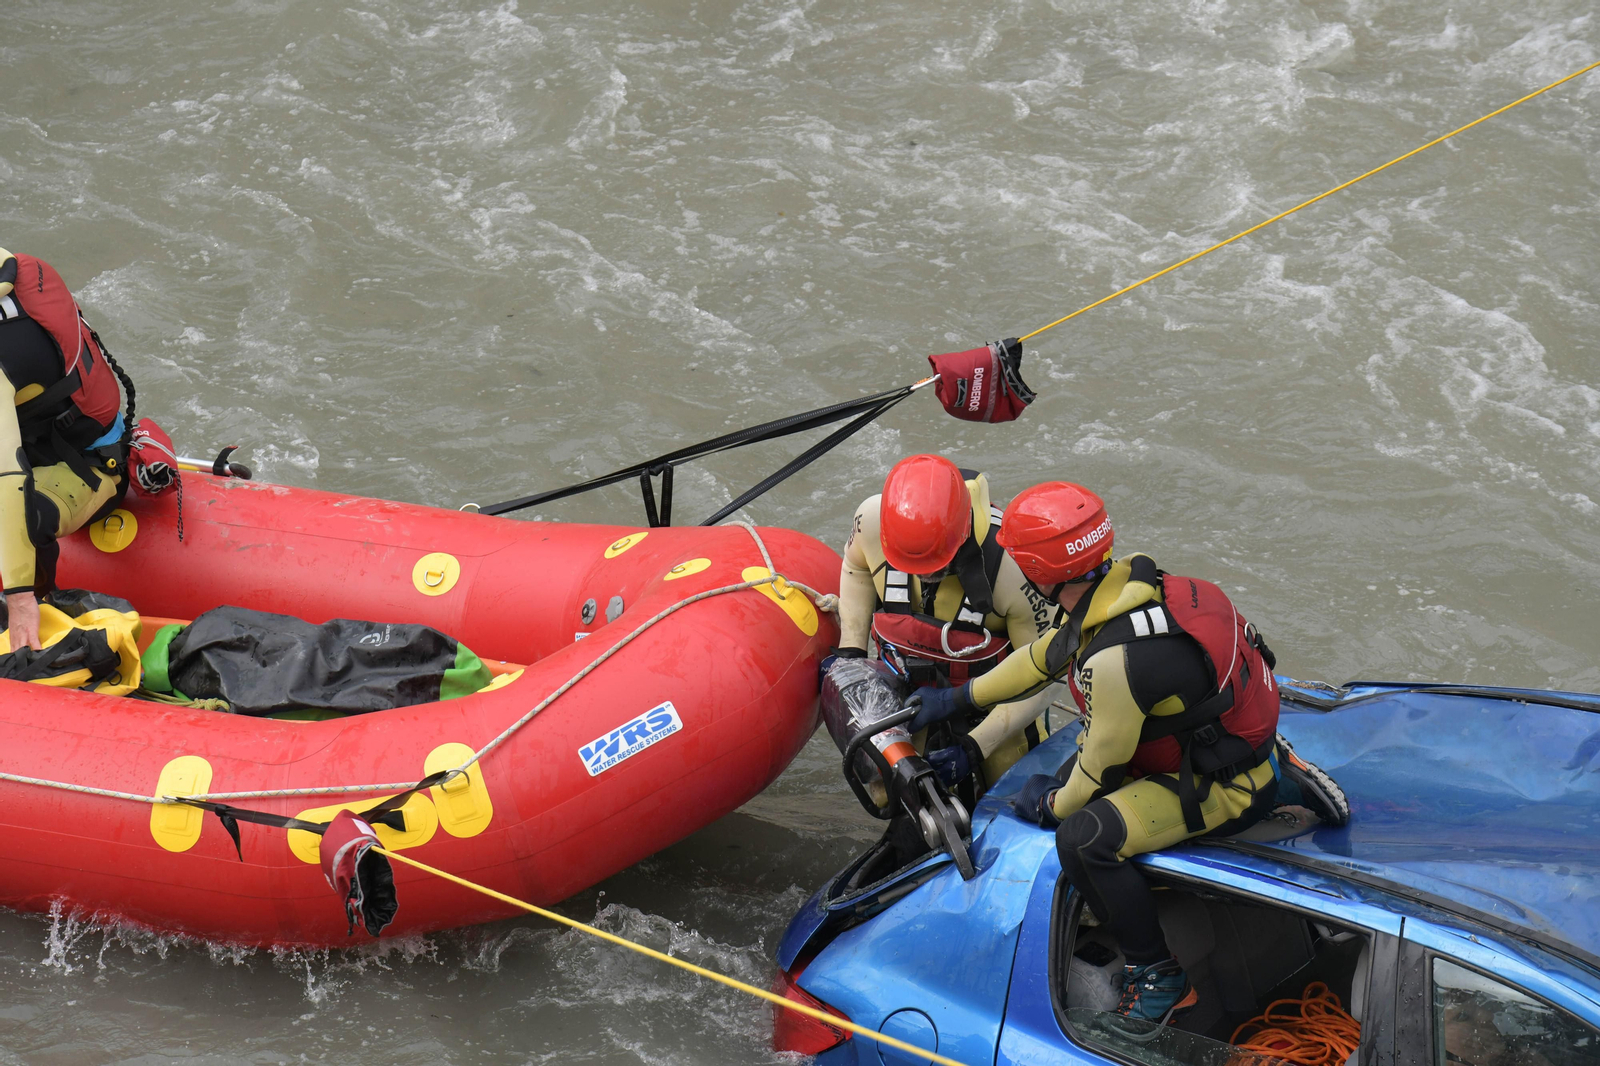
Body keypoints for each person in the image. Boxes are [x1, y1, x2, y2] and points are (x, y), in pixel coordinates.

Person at [905, 480, 1304, 1028]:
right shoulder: (1142, 588)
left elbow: (1095, 777)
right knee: (1071, 781)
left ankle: (1159, 975)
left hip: (1226, 786)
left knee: (1083, 839)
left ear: (1039, 572)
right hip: (1233, 743)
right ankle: (1281, 773)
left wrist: (1048, 806)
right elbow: (1040, 659)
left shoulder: (1115, 658)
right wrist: (956, 699)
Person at [830, 454, 1060, 798]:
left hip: (994, 710)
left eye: (933, 565)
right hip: (908, 695)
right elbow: (856, 567)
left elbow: (1046, 677)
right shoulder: (872, 520)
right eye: (912, 566)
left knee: (1011, 799)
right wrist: (852, 653)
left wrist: (974, 747)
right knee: (886, 794)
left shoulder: (1013, 567)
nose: (923, 575)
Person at [0, 249, 133, 651]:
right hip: (49, 437)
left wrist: (19, 597)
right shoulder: (14, 269)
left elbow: (8, 477)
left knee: (23, 516)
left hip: (89, 466)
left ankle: (41, 606)